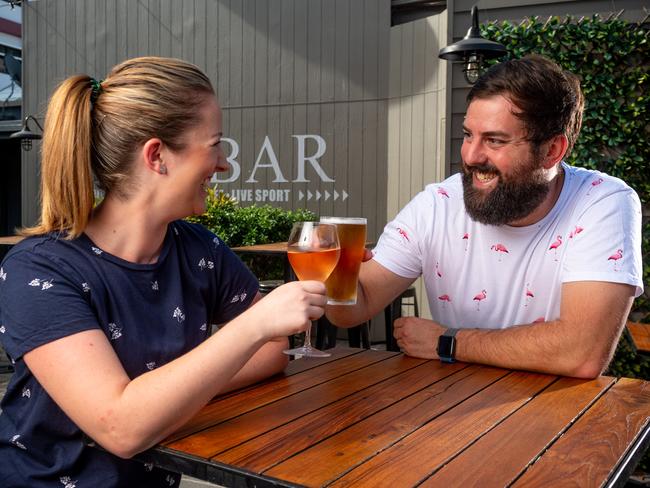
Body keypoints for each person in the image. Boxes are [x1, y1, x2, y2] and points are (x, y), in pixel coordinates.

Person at [0, 57, 326, 487]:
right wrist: (251, 327)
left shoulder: (198, 249)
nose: (223, 164)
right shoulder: (39, 270)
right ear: (157, 156)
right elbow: (122, 428)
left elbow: (273, 349)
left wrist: (167, 395)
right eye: (214, 144)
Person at [327, 54, 643, 379]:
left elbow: (581, 353)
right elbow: (356, 306)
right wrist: (333, 274)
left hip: (558, 414)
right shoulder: (438, 204)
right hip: (452, 408)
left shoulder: (602, 202)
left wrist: (448, 342)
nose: (471, 156)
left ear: (552, 151)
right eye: (468, 135)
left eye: (494, 140)